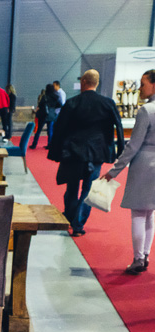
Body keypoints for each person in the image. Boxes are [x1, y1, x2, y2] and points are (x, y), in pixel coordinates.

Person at [48, 68, 124, 237]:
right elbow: (118, 127)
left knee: (72, 187)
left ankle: (70, 216)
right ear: (96, 83)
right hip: (97, 153)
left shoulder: (72, 103)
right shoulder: (108, 103)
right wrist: (119, 152)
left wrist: (55, 151)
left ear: (83, 82)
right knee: (88, 189)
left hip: (73, 153)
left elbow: (60, 129)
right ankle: (78, 223)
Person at [102, 69, 155, 273]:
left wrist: (114, 171)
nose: (140, 88)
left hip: (144, 165)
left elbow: (133, 146)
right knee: (150, 213)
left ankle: (138, 258)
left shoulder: (146, 111)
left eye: (143, 84)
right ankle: (146, 255)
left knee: (139, 213)